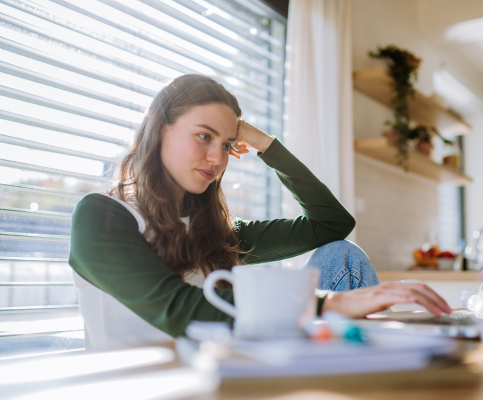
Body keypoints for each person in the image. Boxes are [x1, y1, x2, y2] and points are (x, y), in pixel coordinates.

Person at [69, 74, 451, 351]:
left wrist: (264, 144)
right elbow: (179, 310)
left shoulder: (215, 233)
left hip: (226, 376)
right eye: (204, 136)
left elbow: (333, 224)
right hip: (152, 387)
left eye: (227, 144)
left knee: (343, 255)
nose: (217, 158)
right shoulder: (101, 216)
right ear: (159, 128)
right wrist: (326, 302)